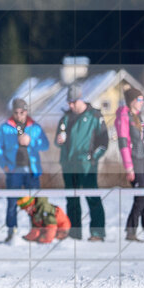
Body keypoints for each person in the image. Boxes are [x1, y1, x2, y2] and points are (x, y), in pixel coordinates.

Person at [55, 84, 109, 241]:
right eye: (69, 102)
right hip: (68, 164)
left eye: (73, 102)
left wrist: (93, 158)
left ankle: (97, 233)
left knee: (92, 197)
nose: (70, 105)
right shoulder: (65, 118)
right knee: (72, 200)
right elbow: (59, 140)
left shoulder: (95, 116)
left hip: (86, 165)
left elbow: (103, 142)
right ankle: (74, 233)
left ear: (80, 99)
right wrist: (59, 140)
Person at [0, 98, 50, 242]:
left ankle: (36, 229)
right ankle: (12, 231)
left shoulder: (35, 127)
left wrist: (31, 141)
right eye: (16, 112)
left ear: (26, 111)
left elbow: (45, 145)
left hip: (32, 170)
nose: (19, 115)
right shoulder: (5, 128)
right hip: (14, 170)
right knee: (12, 201)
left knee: (35, 201)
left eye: (22, 112)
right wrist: (4, 165)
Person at [116, 87, 144, 242]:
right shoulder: (123, 116)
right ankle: (131, 231)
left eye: (142, 100)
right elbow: (123, 143)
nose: (142, 103)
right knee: (140, 198)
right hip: (134, 161)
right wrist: (129, 166)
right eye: (139, 100)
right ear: (132, 101)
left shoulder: (138, 117)